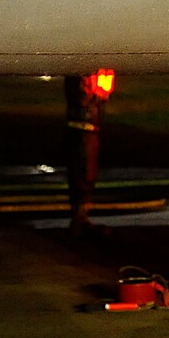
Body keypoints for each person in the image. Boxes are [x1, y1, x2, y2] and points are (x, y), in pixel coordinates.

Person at [63, 69, 114, 234]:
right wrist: (99, 92)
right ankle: (79, 217)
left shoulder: (97, 72)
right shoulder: (79, 73)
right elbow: (84, 99)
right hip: (81, 129)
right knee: (81, 172)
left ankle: (81, 216)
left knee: (88, 174)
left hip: (90, 128)